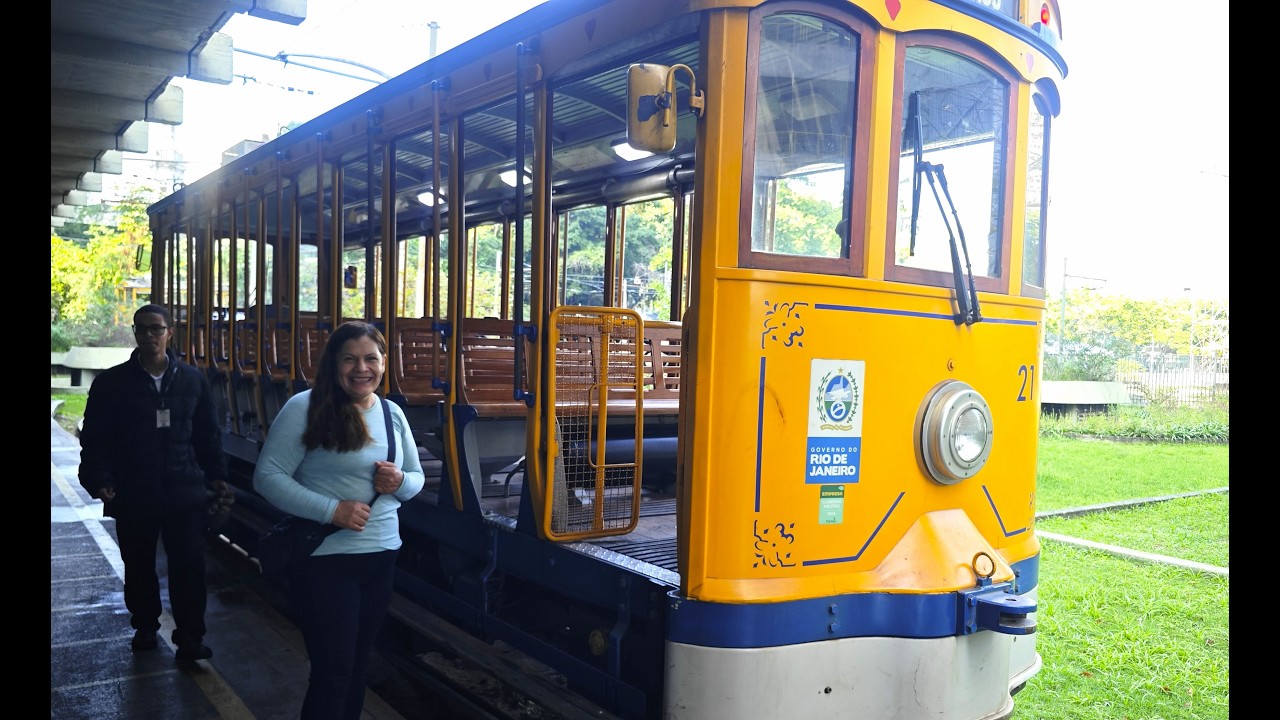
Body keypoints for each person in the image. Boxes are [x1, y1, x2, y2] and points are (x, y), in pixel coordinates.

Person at [253, 320, 425, 720]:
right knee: (332, 675)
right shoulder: (305, 407)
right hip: (327, 561)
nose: (360, 368)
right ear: (333, 364)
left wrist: (398, 480)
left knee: (356, 671)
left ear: (384, 362)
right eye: (349, 359)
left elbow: (415, 480)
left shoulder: (391, 412)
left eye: (370, 358)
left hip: (381, 556)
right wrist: (333, 511)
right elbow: (267, 476)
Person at [78, 303, 234, 667]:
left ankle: (191, 639)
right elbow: (97, 438)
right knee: (138, 564)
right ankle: (145, 626)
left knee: (190, 568)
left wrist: (218, 479)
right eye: (142, 329)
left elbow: (208, 436)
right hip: (135, 491)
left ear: (169, 332)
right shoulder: (111, 383)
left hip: (185, 492)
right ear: (135, 333)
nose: (149, 335)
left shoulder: (193, 380)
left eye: (156, 329)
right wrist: (100, 480)